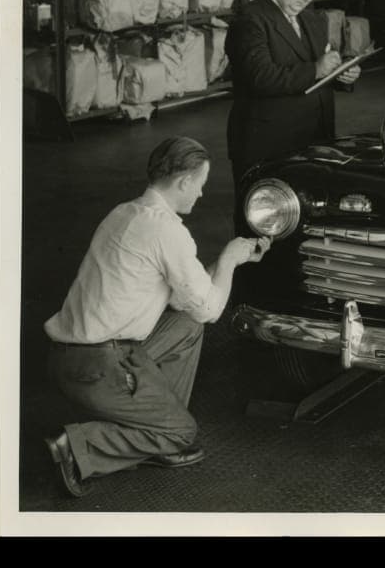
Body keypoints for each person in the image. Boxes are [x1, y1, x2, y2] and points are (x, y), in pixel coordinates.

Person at [42, 137, 272, 498]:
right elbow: (212, 310)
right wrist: (228, 261)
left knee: (186, 326)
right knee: (183, 432)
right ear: (183, 182)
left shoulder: (126, 212)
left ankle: (156, 429)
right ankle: (78, 445)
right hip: (98, 364)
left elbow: (190, 303)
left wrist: (232, 261)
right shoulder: (168, 231)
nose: (200, 194)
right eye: (200, 184)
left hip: (72, 356)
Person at [226, 0, 360, 229]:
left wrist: (341, 74)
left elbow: (321, 65)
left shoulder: (313, 19)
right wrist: (317, 69)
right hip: (267, 143)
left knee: (309, 222)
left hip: (314, 139)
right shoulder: (249, 21)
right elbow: (261, 77)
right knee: (262, 222)